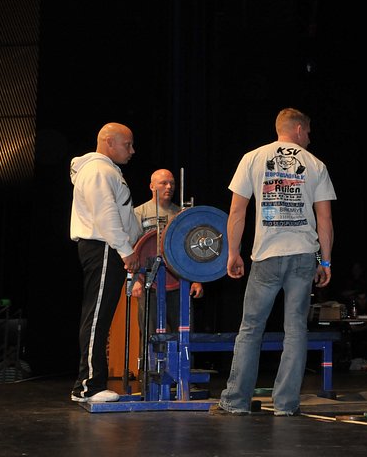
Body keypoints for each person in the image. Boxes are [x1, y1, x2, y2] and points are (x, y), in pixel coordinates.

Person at [214, 108, 336, 416]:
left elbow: (237, 211)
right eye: (308, 132)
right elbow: (324, 219)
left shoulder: (252, 158)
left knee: (251, 328)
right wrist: (326, 261)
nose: (309, 138)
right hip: (303, 256)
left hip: (266, 256)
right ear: (298, 129)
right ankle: (286, 404)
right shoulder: (316, 164)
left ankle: (236, 401)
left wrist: (233, 253)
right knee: (295, 330)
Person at [69, 123, 142, 403]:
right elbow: (106, 214)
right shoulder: (98, 170)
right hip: (103, 248)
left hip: (108, 248)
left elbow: (121, 215)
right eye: (128, 144)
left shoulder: (108, 170)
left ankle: (90, 383)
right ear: (109, 142)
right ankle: (87, 387)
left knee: (100, 316)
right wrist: (126, 250)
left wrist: (136, 240)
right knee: (96, 316)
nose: (132, 150)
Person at [131, 169, 203, 339]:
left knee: (184, 334)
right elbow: (131, 248)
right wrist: (135, 280)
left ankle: (183, 358)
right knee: (151, 336)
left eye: (172, 183)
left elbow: (191, 249)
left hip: (178, 283)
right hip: (149, 283)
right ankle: (151, 358)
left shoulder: (181, 214)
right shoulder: (139, 213)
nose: (169, 187)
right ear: (152, 186)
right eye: (164, 183)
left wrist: (196, 279)